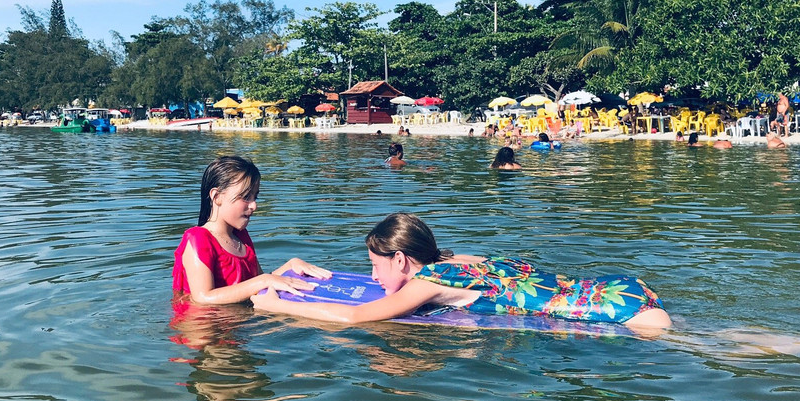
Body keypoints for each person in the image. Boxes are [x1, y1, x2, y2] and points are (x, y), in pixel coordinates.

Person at [251, 213, 671, 330]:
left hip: (617, 315)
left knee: (710, 347)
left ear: (401, 259)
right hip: (618, 289)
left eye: (375, 265)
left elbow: (354, 316)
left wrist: (278, 307)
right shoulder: (459, 262)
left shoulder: (425, 281)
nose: (373, 277)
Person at [173, 155, 330, 305]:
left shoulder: (241, 237)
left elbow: (260, 281)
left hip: (239, 326)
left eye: (255, 197)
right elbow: (203, 297)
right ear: (217, 197)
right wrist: (264, 280)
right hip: (202, 330)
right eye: (246, 197)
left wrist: (290, 265)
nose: (254, 205)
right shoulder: (198, 238)